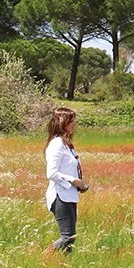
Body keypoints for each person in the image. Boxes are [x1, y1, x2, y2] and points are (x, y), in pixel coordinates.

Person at [43, 106, 87, 252]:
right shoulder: (56, 145)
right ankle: (43, 256)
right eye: (71, 121)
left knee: (71, 238)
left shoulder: (66, 145)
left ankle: (62, 265)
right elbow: (52, 173)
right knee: (67, 237)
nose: (74, 124)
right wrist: (74, 181)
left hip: (69, 195)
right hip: (60, 196)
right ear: (62, 123)